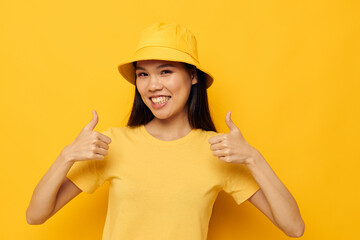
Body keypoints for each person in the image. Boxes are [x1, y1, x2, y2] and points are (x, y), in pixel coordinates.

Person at [26, 22, 305, 239]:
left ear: (193, 76)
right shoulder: (114, 143)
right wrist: (66, 156)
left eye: (165, 71)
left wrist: (253, 158)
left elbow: (294, 227)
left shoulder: (219, 151)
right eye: (143, 74)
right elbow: (36, 215)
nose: (152, 85)